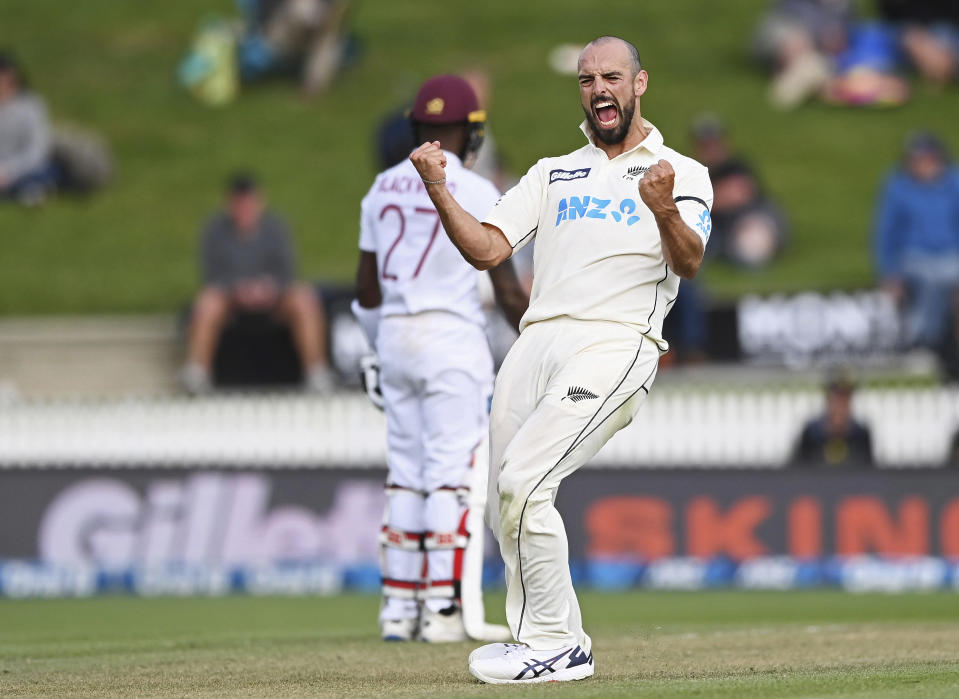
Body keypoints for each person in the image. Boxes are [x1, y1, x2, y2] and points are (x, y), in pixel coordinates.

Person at [409, 36, 713, 683]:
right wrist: (439, 189)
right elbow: (489, 248)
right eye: (585, 79)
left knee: (525, 479)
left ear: (639, 84)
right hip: (536, 339)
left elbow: (687, 260)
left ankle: (555, 642)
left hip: (614, 339)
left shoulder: (679, 172)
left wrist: (661, 210)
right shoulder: (553, 171)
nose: (598, 89)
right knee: (502, 497)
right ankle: (542, 638)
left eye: (610, 76)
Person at [352, 75, 528, 643]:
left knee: (406, 476)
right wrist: (538, 338)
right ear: (470, 131)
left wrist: (377, 349)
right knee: (453, 479)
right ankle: (445, 612)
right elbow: (504, 289)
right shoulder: (476, 189)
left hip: (396, 336)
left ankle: (398, 612)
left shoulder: (381, 187)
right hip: (451, 339)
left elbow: (368, 288)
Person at [183, 173, 333, 394]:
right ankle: (196, 372)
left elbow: (288, 271)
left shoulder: (276, 228)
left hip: (273, 300)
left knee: (304, 298)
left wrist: (268, 288)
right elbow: (211, 274)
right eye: (239, 203)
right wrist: (238, 289)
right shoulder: (214, 230)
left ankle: (317, 372)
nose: (245, 209)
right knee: (207, 302)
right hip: (231, 301)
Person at [874, 132, 959, 355]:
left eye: (929, 160)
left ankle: (934, 342)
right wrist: (889, 272)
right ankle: (924, 340)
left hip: (951, 255)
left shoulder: (954, 183)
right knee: (936, 279)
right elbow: (886, 233)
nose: (924, 166)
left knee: (947, 276)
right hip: (914, 257)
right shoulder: (898, 187)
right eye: (918, 160)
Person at [691, 114, 788, 268]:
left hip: (754, 219)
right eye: (705, 146)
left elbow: (736, 194)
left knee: (753, 241)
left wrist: (703, 201)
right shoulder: (698, 173)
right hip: (722, 230)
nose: (711, 150)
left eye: (713, 144)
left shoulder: (736, 167)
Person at [0, 52, 54, 205]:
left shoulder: (31, 107)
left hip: (23, 167)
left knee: (44, 172)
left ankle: (29, 190)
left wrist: (8, 171)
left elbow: (37, 150)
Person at [792, 376, 873, 467]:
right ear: (828, 400)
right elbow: (798, 468)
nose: (841, 405)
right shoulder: (811, 433)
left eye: (845, 399)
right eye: (837, 398)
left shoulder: (861, 434)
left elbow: (869, 468)